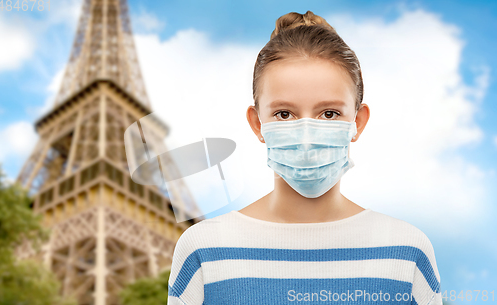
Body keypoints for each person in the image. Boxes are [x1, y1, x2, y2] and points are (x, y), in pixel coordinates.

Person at [167, 10, 442, 305]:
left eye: (329, 113)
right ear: (257, 123)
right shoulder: (203, 249)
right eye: (284, 114)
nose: (307, 135)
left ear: (358, 122)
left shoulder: (408, 250)